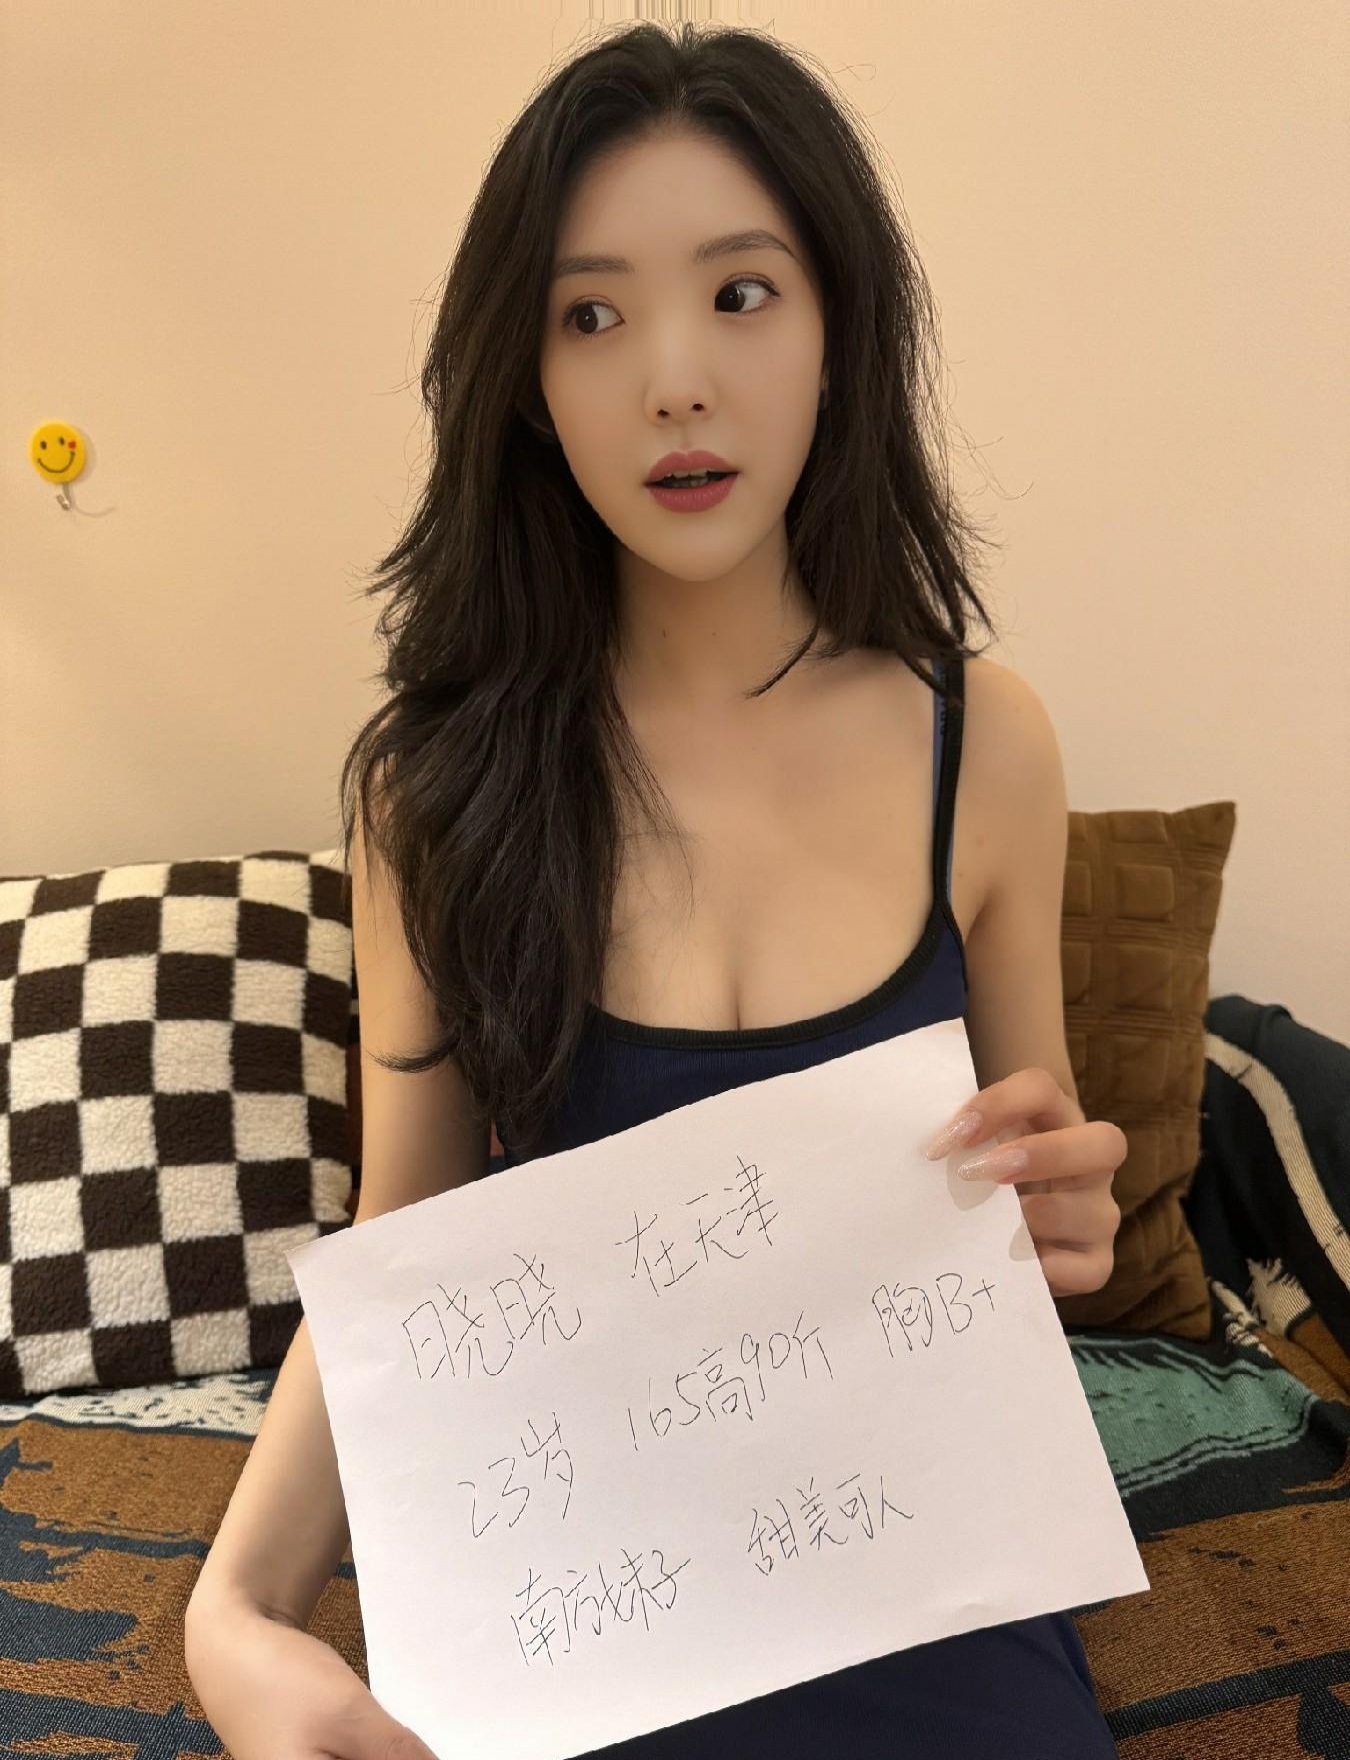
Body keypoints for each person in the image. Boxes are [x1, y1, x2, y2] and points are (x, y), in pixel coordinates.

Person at [185, 21, 1124, 1759]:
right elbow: (403, 1253)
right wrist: (229, 1612)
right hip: (589, 1611)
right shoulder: (432, 790)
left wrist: (1066, 1212)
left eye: (741, 294)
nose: (674, 381)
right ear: (524, 382)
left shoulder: (981, 741)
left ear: (840, 328)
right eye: (591, 316)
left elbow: (1038, 1170)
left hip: (925, 1579)